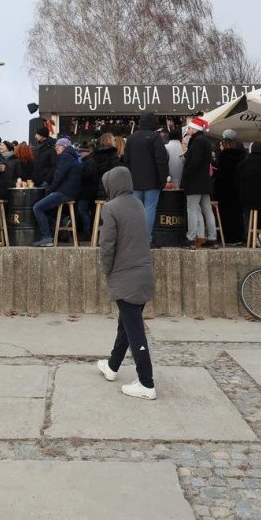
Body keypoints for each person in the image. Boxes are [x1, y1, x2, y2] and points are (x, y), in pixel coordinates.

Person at [94, 167, 157, 400]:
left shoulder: (111, 208)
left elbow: (107, 245)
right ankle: (112, 366)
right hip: (143, 275)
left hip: (125, 277)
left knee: (134, 330)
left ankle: (146, 382)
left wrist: (105, 271)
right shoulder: (138, 204)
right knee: (126, 324)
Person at [122, 111, 169, 241]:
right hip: (152, 181)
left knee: (136, 211)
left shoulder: (132, 138)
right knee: (150, 209)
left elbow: (126, 160)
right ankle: (146, 239)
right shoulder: (155, 138)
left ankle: (135, 238)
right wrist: (163, 179)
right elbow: (161, 160)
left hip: (135, 181)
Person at [32, 138, 82, 246]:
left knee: (37, 207)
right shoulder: (71, 156)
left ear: (64, 146)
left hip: (65, 192)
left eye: (58, 146)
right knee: (45, 208)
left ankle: (47, 237)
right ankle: (63, 221)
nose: (56, 148)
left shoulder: (65, 157)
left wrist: (50, 190)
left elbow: (59, 176)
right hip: (70, 192)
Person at [181, 116, 217, 248]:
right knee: (207, 209)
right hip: (205, 180)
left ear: (194, 129)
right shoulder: (206, 141)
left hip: (195, 180)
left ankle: (190, 238)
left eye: (190, 128)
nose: (188, 130)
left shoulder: (196, 142)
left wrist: (186, 172)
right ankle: (213, 239)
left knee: (192, 209)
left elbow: (195, 161)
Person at [215, 130, 246, 246]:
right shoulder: (241, 155)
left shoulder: (223, 156)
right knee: (236, 214)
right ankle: (237, 236)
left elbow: (221, 175)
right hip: (237, 189)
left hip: (225, 190)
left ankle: (228, 238)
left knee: (226, 215)